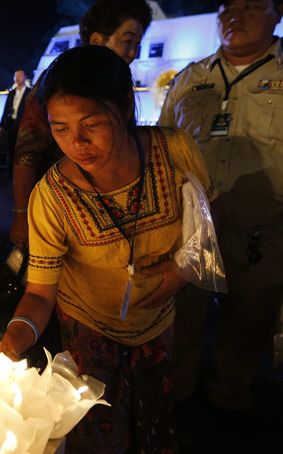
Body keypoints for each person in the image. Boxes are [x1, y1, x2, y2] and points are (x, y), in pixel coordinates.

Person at [0, 45, 216, 453]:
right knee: (98, 432)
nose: (77, 143)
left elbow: (203, 226)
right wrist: (14, 340)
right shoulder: (52, 198)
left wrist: (182, 270)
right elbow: (41, 293)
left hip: (157, 324)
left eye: (91, 124)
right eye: (60, 129)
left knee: (152, 424)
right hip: (89, 330)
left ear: (126, 107)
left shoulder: (177, 152)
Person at [158, 0, 283, 416]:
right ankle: (177, 402)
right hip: (190, 230)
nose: (236, 16)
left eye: (251, 6)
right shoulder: (191, 77)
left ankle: (230, 402)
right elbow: (162, 148)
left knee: (247, 328)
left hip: (263, 232)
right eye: (228, 7)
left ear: (277, 13)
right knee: (182, 322)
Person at [10, 0, 153, 247]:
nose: (133, 52)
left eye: (138, 44)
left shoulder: (120, 83)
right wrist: (21, 216)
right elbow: (26, 153)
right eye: (127, 41)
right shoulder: (60, 82)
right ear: (97, 40)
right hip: (65, 212)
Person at [0, 69, 29, 160]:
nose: (17, 78)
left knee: (22, 150)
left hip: (23, 125)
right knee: (10, 151)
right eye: (16, 76)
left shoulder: (30, 92)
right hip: (11, 124)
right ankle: (10, 173)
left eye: (20, 75)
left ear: (25, 77)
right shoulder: (11, 93)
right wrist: (1, 125)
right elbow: (6, 109)